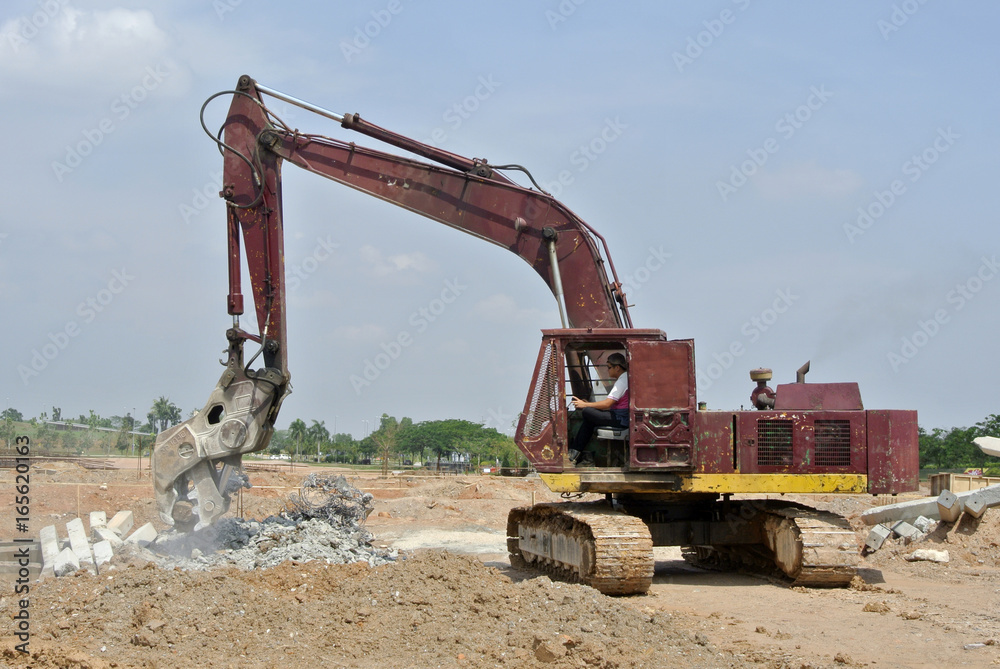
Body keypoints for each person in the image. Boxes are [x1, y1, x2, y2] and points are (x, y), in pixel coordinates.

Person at [568, 352, 629, 467]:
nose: (607, 370)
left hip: (621, 418)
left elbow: (607, 404)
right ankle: (577, 454)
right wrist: (589, 404)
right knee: (590, 419)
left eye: (609, 367)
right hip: (619, 416)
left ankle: (574, 454)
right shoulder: (624, 378)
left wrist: (585, 405)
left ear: (617, 368)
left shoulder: (622, 381)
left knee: (587, 412)